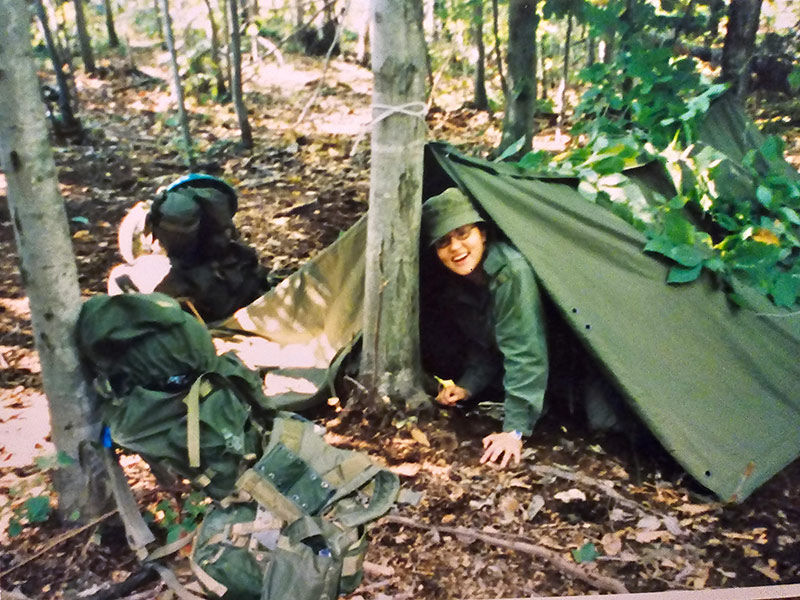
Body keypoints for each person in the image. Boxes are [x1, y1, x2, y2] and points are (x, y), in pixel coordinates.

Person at [420, 187, 549, 468]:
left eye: (463, 233)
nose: (456, 247)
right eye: (443, 242)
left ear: (483, 234)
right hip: (527, 374)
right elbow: (484, 345)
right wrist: (468, 386)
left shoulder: (511, 272)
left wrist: (514, 431)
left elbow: (525, 351)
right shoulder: (460, 282)